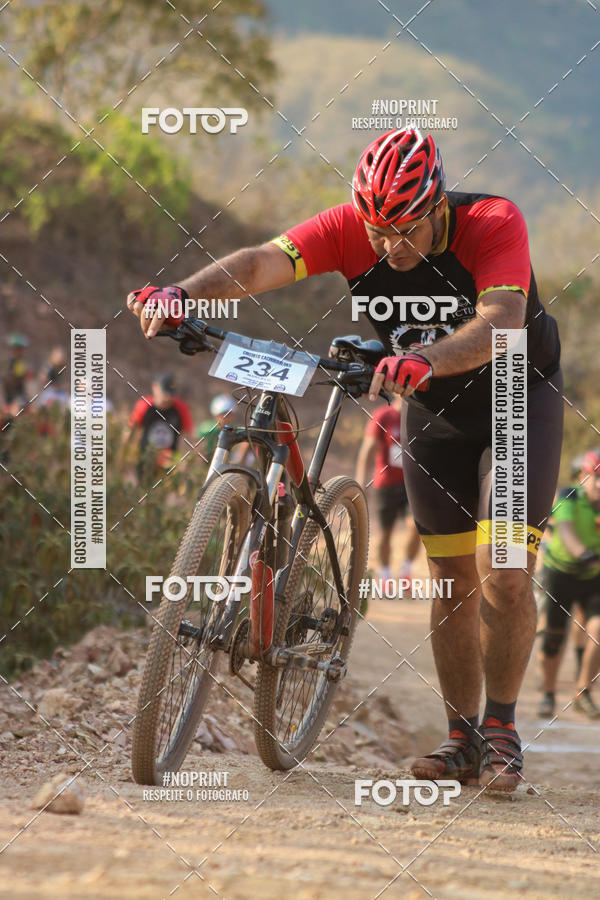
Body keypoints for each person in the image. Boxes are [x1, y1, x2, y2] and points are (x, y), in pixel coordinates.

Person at [126, 127, 563, 791]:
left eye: (404, 231)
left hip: (512, 400)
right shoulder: (356, 228)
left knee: (501, 567)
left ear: (437, 206)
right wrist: (182, 295)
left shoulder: (491, 222)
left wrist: (423, 358)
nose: (389, 246)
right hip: (432, 410)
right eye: (376, 232)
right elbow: (255, 265)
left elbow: (503, 321)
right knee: (449, 576)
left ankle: (501, 729)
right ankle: (461, 740)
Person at [537, 450, 600, 719]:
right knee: (553, 637)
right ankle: (548, 694)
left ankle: (582, 692)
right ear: (583, 477)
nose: (599, 484)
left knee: (597, 629)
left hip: (593, 576)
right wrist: (584, 553)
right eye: (595, 478)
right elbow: (565, 530)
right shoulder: (568, 496)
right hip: (559, 573)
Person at [355, 393, 421, 588]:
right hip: (386, 483)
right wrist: (361, 480)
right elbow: (368, 450)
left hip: (413, 484)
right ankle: (385, 576)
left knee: (415, 526)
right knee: (386, 532)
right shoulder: (384, 416)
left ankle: (406, 571)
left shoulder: (421, 418)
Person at [127, 373, 192, 481]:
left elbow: (188, 437)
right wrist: (126, 456)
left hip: (169, 462)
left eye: (171, 394)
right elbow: (131, 431)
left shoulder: (180, 408)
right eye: (165, 392)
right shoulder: (145, 405)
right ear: (155, 388)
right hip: (145, 460)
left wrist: (184, 460)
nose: (168, 397)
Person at [196, 394, 236, 462]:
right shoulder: (207, 431)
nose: (227, 418)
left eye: (229, 414)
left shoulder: (236, 432)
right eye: (223, 414)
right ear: (216, 415)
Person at [2, 333, 33, 407]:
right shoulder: (10, 363)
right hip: (12, 397)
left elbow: (27, 378)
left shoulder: (22, 362)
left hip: (21, 394)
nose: (23, 351)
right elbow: (8, 380)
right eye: (20, 349)